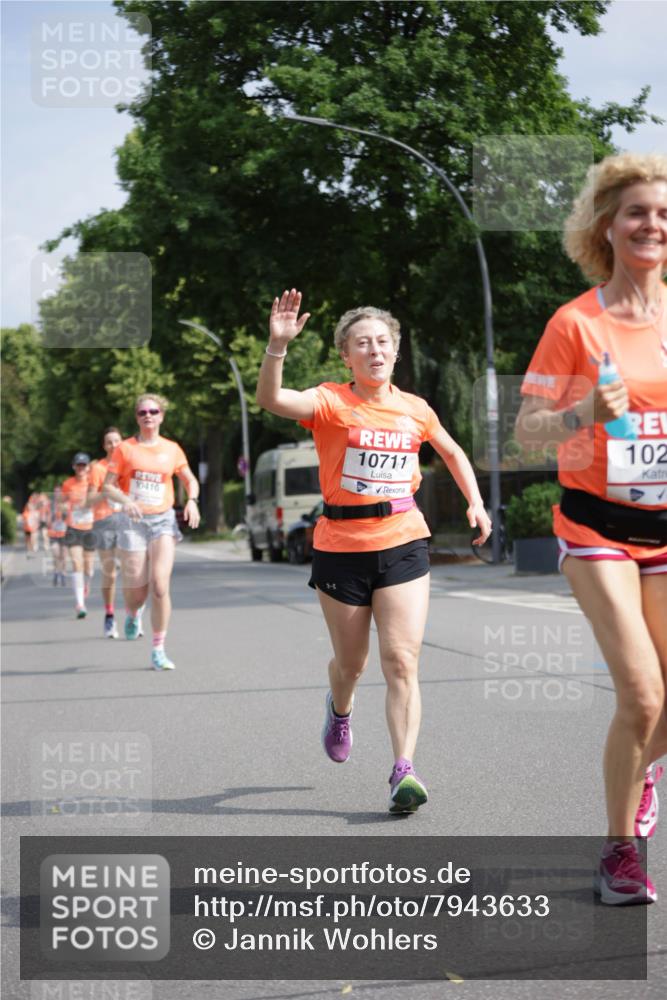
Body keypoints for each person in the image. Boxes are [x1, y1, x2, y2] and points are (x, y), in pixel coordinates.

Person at [256, 289, 491, 814]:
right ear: (347, 355)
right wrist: (277, 347)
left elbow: (451, 451)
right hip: (340, 547)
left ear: (395, 351)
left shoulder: (415, 409)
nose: (375, 350)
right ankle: (340, 709)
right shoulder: (329, 401)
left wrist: (475, 503)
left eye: (383, 342)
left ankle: (403, 769)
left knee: (401, 660)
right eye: (363, 343)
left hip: (404, 537)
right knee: (352, 663)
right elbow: (272, 400)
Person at [515, 153, 667, 904]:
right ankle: (619, 852)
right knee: (642, 697)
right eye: (637, 211)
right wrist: (583, 414)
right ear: (606, 225)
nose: (651, 225)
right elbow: (526, 432)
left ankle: (643, 771)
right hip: (596, 527)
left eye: (663, 215)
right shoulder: (573, 323)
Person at [102, 393, 201, 670]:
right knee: (137, 590)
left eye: (153, 411)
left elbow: (189, 479)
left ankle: (158, 648)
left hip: (162, 521)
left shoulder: (172, 449)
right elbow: (108, 486)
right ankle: (133, 612)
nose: (148, 415)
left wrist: (191, 501)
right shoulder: (125, 449)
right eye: (143, 412)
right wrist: (126, 501)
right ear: (137, 417)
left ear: (161, 416)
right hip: (132, 522)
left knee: (159, 585)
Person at [87, 427, 143, 640]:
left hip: (127, 520)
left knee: (133, 569)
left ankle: (134, 613)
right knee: (110, 573)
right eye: (109, 442)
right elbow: (89, 500)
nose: (113, 445)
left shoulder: (129, 466)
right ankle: (110, 614)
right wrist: (108, 491)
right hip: (104, 521)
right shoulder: (98, 469)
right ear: (104, 446)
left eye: (116, 441)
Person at [60, 454, 96, 618]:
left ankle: (86, 583)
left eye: (84, 465)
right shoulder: (68, 484)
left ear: (88, 467)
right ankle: (80, 604)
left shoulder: (93, 482)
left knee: (88, 567)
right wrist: (65, 506)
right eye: (78, 465)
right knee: (76, 563)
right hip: (73, 527)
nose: (81, 468)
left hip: (90, 527)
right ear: (74, 466)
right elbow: (60, 502)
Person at [47, 488, 68, 586]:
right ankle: (56, 572)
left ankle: (63, 573)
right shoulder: (50, 505)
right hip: (53, 534)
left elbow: (70, 518)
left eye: (59, 493)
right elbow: (46, 519)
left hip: (64, 534)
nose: (57, 495)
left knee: (63, 556)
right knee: (56, 555)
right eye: (55, 493)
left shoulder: (66, 505)